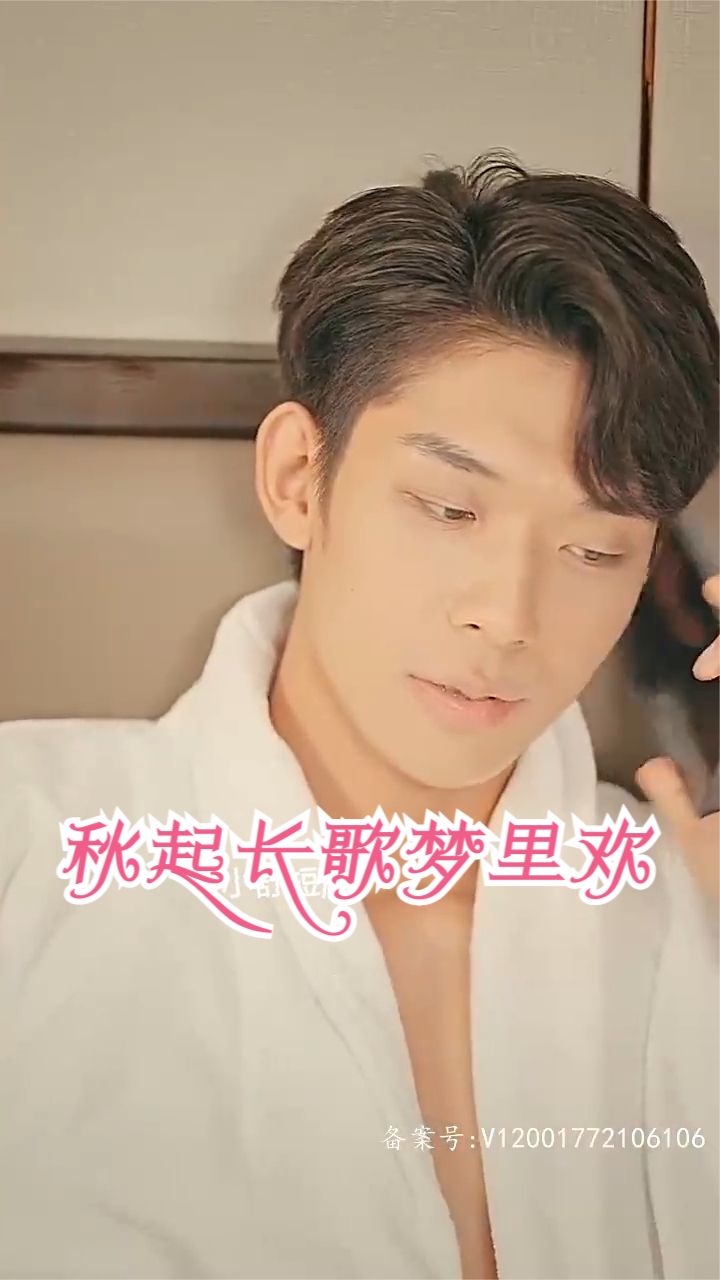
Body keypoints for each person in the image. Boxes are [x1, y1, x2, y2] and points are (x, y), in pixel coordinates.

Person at [0, 152, 718, 1280]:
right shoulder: (25, 847)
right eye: (448, 507)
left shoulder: (689, 905)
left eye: (593, 550)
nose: (508, 617)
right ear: (300, 475)